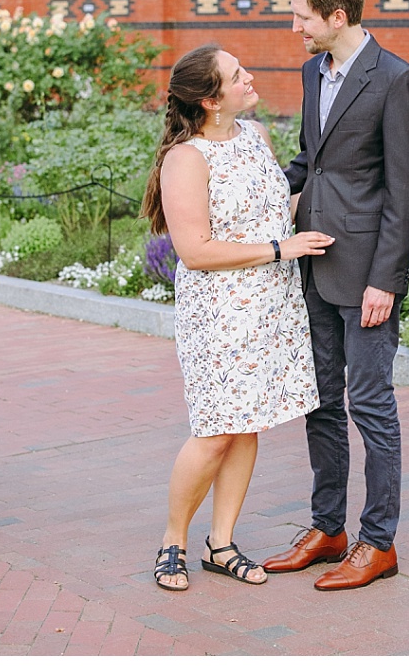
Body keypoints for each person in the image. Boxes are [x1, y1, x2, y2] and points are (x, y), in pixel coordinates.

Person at [262, 0, 409, 590]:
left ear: (337, 16)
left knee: (371, 407)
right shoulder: (313, 72)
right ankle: (328, 529)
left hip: (367, 280)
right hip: (316, 267)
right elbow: (313, 160)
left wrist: (385, 281)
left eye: (302, 16)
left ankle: (378, 543)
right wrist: (259, 202)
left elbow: (406, 193)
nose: (295, 27)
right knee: (322, 405)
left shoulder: (395, 81)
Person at [142, 44, 331, 591]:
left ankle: (220, 543)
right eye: (237, 75)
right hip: (219, 316)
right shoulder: (187, 158)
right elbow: (196, 250)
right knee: (214, 431)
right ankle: (172, 541)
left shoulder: (255, 137)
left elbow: (274, 207)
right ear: (209, 99)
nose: (250, 77)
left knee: (247, 425)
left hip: (271, 307)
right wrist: (281, 248)